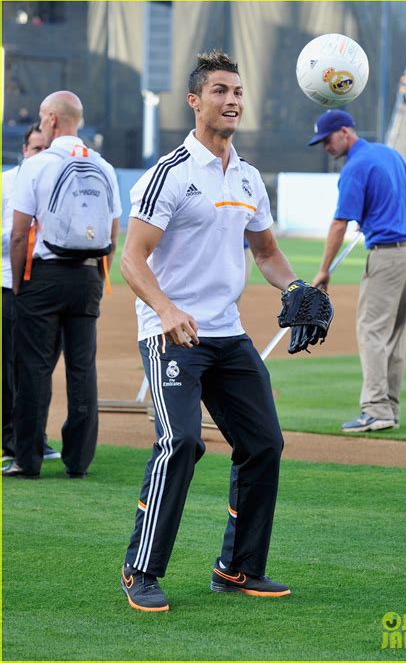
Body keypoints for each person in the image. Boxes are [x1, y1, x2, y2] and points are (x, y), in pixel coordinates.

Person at [120, 50, 300, 612]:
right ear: (195, 101)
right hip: (170, 333)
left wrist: (295, 290)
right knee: (182, 442)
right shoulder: (170, 173)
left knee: (264, 443)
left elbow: (266, 251)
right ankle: (140, 570)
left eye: (239, 92)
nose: (233, 100)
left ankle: (239, 569)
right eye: (220, 90)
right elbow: (131, 259)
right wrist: (167, 310)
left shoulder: (247, 176)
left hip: (227, 333)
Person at [3, 91, 122, 479]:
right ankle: (79, 460)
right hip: (88, 275)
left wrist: (22, 285)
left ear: (52, 119)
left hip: (44, 276)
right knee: (82, 368)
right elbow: (113, 231)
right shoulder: (103, 166)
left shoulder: (36, 166)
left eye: (41, 116)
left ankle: (28, 458)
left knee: (33, 368)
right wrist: (98, 277)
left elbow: (19, 235)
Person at [310, 109, 406, 433]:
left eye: (327, 140)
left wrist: (324, 271)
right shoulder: (389, 152)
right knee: (393, 333)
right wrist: (383, 210)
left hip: (387, 255)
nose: (326, 147)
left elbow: (338, 224)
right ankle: (390, 408)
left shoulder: (354, 168)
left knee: (371, 330)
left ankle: (376, 409)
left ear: (345, 132)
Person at [2, 123, 61, 463]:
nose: (40, 154)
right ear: (25, 151)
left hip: (47, 287)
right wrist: (19, 237)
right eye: (36, 148)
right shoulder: (7, 183)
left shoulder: (58, 182)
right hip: (10, 283)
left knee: (40, 366)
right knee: (12, 366)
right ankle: (11, 438)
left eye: (45, 148)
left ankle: (34, 437)